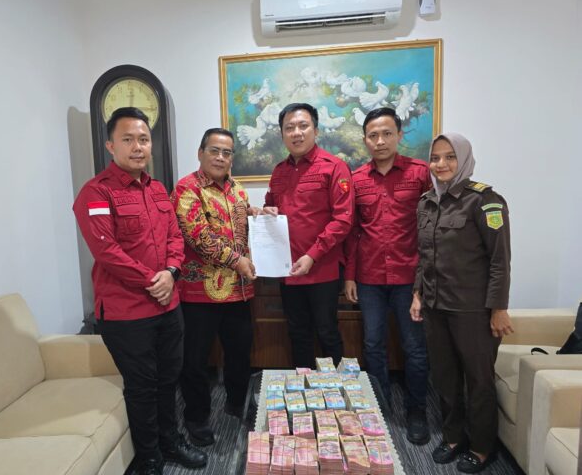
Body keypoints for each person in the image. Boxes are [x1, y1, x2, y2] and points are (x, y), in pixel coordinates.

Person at [72, 107, 206, 475]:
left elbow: (175, 237)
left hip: (167, 305)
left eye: (143, 139)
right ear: (110, 145)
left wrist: (171, 272)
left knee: (168, 380)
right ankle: (149, 463)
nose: (137, 147)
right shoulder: (96, 193)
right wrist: (154, 280)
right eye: (128, 139)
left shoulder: (158, 189)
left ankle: (171, 442)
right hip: (127, 312)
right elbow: (107, 251)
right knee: (142, 388)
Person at [410, 132, 513, 473]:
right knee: (445, 377)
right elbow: (424, 256)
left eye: (450, 157)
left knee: (479, 380)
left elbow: (500, 260)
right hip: (435, 307)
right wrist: (418, 294)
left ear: (464, 159)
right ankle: (454, 437)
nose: (441, 164)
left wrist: (499, 308)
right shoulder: (427, 202)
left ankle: (482, 447)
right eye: (435, 157)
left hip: (473, 310)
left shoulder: (485, 201)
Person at [343, 107, 431, 444]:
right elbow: (353, 232)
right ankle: (379, 408)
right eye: (373, 135)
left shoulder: (420, 173)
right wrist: (350, 276)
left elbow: (430, 230)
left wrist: (424, 282)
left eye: (387, 134)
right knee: (373, 345)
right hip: (370, 279)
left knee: (415, 347)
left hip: (409, 278)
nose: (380, 141)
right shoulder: (356, 179)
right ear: (365, 140)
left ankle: (416, 411)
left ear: (399, 135)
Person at [171, 127, 260, 446]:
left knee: (239, 353)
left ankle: (237, 404)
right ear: (201, 153)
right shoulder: (186, 188)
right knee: (195, 360)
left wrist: (258, 215)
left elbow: (241, 226)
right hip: (199, 294)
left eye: (227, 152)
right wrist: (237, 261)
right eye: (214, 150)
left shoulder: (238, 189)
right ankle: (196, 417)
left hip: (238, 290)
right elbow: (199, 237)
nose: (221, 157)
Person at [263, 103, 354, 368]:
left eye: (303, 126)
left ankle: (336, 389)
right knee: (297, 332)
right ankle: (302, 386)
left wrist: (312, 255)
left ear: (316, 130)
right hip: (288, 268)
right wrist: (267, 210)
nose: (296, 133)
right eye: (289, 128)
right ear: (282, 134)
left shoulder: (334, 167)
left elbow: (343, 220)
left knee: (327, 332)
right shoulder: (279, 171)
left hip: (323, 268)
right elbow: (271, 207)